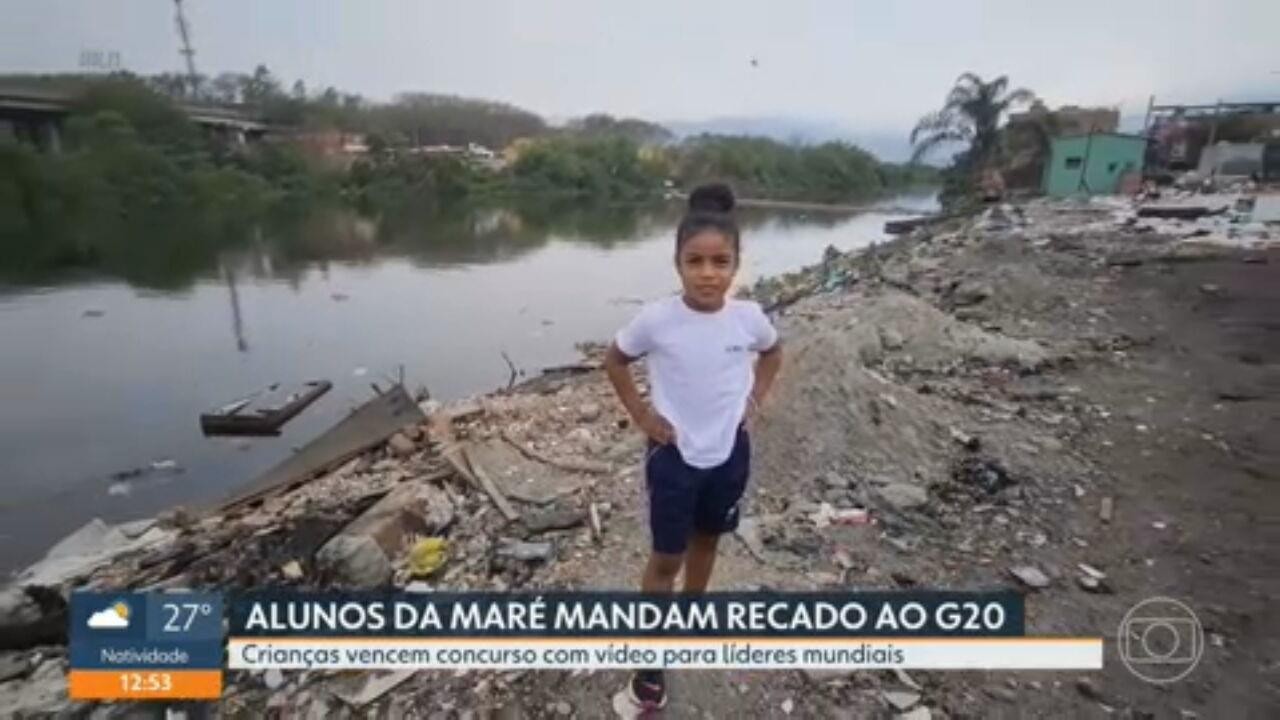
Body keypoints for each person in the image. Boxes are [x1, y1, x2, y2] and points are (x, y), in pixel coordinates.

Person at [603, 183, 783, 711]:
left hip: (729, 454)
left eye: (720, 261)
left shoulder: (748, 318)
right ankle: (650, 660)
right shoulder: (658, 319)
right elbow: (614, 360)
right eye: (695, 261)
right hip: (675, 458)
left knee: (708, 541)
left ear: (736, 265)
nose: (708, 272)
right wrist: (641, 415)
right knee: (666, 556)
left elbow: (773, 353)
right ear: (677, 264)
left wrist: (755, 401)